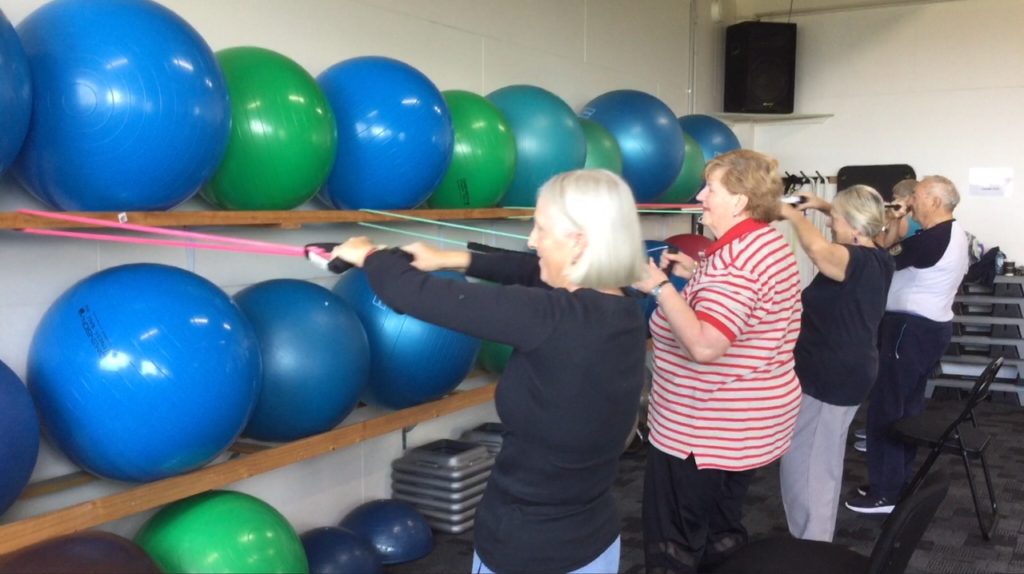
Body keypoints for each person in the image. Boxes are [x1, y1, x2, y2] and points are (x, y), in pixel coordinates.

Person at [329, 169, 648, 574]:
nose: (532, 240)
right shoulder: (623, 308)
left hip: (528, 552)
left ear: (579, 242)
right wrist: (451, 258)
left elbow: (414, 293)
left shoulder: (552, 318)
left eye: (541, 228)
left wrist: (369, 255)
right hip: (593, 542)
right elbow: (533, 270)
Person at [633, 149, 803, 573]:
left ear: (740, 201)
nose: (701, 196)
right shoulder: (762, 243)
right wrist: (696, 276)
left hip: (703, 433)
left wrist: (660, 288)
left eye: (711, 188)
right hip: (741, 427)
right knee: (721, 525)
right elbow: (744, 304)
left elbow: (706, 346)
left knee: (676, 540)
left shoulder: (736, 264)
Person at [845, 175, 970, 514]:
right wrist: (898, 217)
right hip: (928, 329)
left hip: (910, 331)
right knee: (907, 407)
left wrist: (889, 220)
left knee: (887, 409)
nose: (909, 199)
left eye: (915, 195)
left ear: (932, 201)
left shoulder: (932, 240)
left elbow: (881, 255)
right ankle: (896, 482)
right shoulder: (952, 233)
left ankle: (885, 493)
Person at [777, 185, 894, 541]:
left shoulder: (851, 259)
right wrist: (822, 205)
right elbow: (856, 224)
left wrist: (793, 213)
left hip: (832, 375)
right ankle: (813, 541)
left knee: (810, 468)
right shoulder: (880, 256)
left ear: (854, 225)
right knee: (820, 462)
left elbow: (817, 250)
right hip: (848, 370)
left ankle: (813, 550)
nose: (830, 224)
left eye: (835, 219)